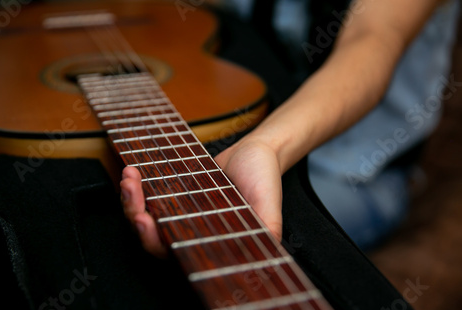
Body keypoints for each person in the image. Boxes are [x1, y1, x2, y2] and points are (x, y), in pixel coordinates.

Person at [120, 0, 460, 256]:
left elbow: (371, 42)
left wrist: (265, 146)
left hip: (350, 172)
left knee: (237, 244)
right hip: (235, 128)